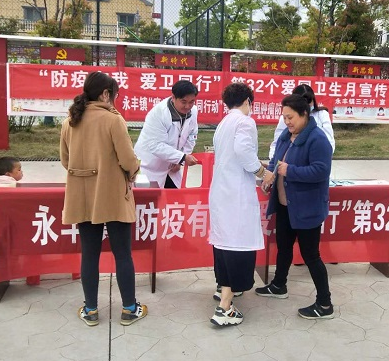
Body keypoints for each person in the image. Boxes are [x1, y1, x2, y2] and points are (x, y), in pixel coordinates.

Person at [60, 71, 147, 327]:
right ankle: (129, 309)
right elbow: (128, 160)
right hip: (112, 195)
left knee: (89, 255)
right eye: (115, 95)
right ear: (106, 94)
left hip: (82, 197)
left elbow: (65, 161)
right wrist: (133, 171)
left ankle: (90, 310)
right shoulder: (113, 120)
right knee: (122, 254)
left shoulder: (69, 121)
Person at [256, 94, 334, 320]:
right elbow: (276, 161)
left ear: (304, 114)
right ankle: (279, 285)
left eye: (291, 117)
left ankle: (325, 303)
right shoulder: (286, 136)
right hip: (285, 205)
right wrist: (269, 177)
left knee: (311, 256)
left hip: (307, 207)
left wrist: (290, 171)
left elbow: (321, 171)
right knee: (284, 247)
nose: (287, 121)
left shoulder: (317, 139)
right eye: (284, 117)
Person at [208, 83, 273, 326]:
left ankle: (225, 289)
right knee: (237, 243)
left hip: (221, 191)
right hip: (236, 194)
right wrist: (262, 172)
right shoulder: (245, 122)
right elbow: (243, 151)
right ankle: (225, 306)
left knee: (224, 243)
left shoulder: (224, 123)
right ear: (247, 101)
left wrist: (255, 166)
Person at [134, 80, 199, 188]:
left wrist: (180, 160)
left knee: (175, 196)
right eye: (183, 102)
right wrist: (182, 157)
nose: (188, 106)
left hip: (172, 167)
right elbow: (155, 145)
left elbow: (192, 136)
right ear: (173, 97)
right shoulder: (158, 113)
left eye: (192, 102)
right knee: (150, 197)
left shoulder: (193, 112)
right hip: (150, 166)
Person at [268, 84, 335, 160]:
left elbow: (329, 141)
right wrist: (274, 162)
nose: (287, 121)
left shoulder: (322, 115)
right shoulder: (286, 118)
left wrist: (324, 156)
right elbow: (278, 142)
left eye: (309, 102)